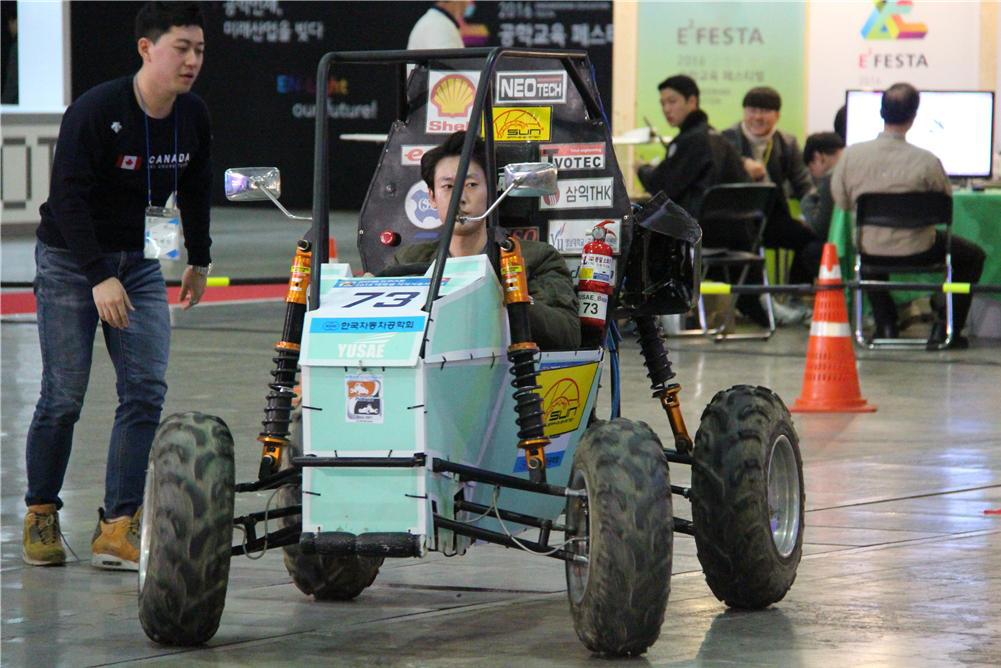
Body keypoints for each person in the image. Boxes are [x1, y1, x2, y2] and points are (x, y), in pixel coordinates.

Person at [23, 2, 212, 569]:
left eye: (200, 50)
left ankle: (117, 524)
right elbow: (67, 201)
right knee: (63, 397)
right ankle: (40, 513)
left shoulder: (192, 115)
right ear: (146, 49)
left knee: (146, 390)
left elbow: (198, 186)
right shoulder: (96, 110)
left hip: (141, 262)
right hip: (70, 260)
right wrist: (97, 276)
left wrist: (199, 258)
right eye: (182, 48)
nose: (193, 61)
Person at [392, 130, 580, 350]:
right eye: (448, 187)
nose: (460, 198)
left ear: (492, 191)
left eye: (471, 185)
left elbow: (567, 334)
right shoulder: (407, 262)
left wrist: (511, 297)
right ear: (432, 197)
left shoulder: (535, 258)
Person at [831, 82, 985, 348]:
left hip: (870, 247)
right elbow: (944, 204)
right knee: (972, 256)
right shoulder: (927, 161)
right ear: (914, 117)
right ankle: (947, 329)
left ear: (881, 112)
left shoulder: (851, 156)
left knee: (870, 252)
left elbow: (842, 202)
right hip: (919, 248)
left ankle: (886, 323)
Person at [637, 74, 747, 218]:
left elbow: (662, 189)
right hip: (732, 227)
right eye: (663, 103)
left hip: (698, 229)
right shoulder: (716, 136)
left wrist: (641, 169)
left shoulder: (690, 140)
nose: (666, 109)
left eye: (672, 101)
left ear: (692, 101)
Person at [801, 132, 845, 241]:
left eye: (811, 169)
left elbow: (820, 229)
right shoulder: (854, 169)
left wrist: (806, 203)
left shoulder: (830, 180)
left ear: (819, 158)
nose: (813, 175)